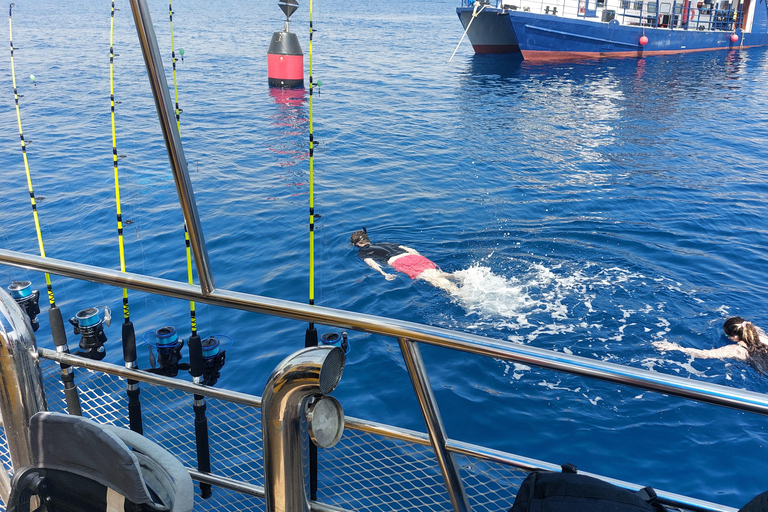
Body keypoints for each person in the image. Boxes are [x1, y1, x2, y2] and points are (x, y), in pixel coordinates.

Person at [350, 228, 459, 294]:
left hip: (399, 262)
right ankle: (461, 276)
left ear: (356, 244)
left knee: (433, 280)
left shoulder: (362, 252)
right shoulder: (385, 243)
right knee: (439, 274)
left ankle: (460, 294)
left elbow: (371, 263)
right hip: (412, 256)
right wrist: (419, 257)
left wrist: (384, 274)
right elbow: (408, 249)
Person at [653, 316, 768, 372]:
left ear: (734, 336)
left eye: (727, 336)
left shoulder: (736, 350)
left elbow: (705, 354)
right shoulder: (761, 336)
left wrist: (676, 348)